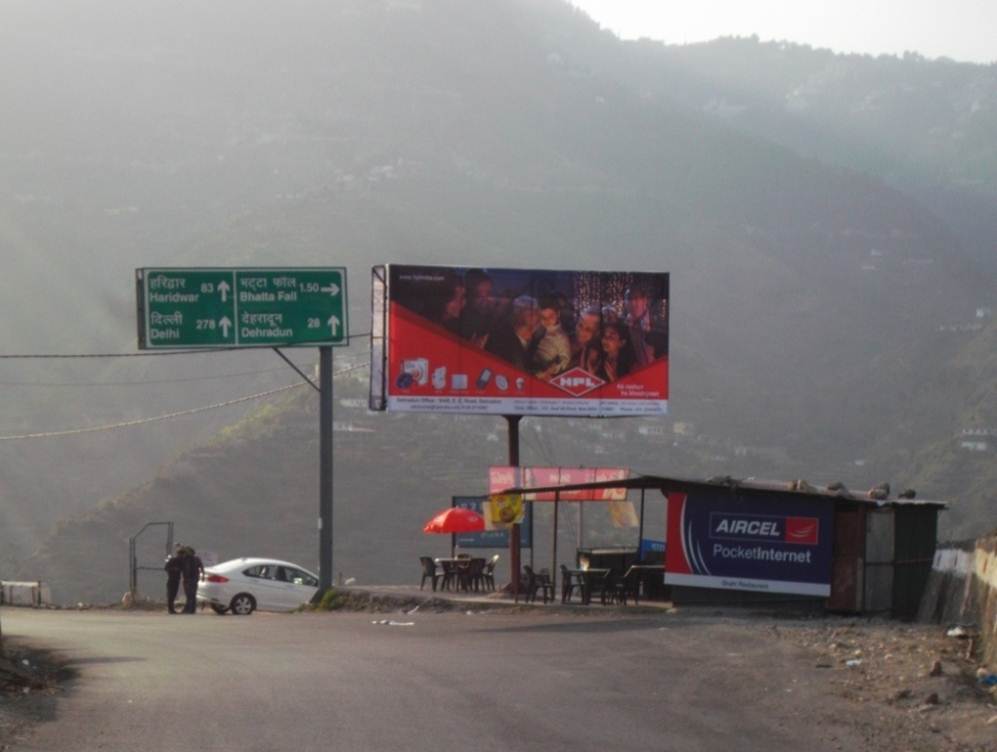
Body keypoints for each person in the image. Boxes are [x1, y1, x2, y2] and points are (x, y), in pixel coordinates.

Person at [485, 295, 540, 371]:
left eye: (536, 310)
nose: (534, 314)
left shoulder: (536, 342)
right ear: (516, 313)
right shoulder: (500, 337)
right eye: (528, 309)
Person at [624, 284, 667, 366]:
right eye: (629, 299)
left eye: (636, 299)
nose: (633, 303)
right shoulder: (625, 325)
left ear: (645, 301)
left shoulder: (658, 322)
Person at [569, 305, 602, 374]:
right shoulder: (566, 340)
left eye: (588, 329)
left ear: (597, 333)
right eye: (580, 325)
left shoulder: (596, 355)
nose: (581, 331)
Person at [180, 546, 204, 614]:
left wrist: (203, 576)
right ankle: (189, 609)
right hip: (187, 578)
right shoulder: (185, 558)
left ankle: (190, 609)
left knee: (191, 594)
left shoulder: (196, 559)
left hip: (193, 578)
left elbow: (201, 567)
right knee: (189, 594)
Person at [164, 544, 184, 614]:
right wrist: (174, 569)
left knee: (174, 594)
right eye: (180, 554)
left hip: (176, 579)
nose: (181, 556)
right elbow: (166, 568)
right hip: (171, 579)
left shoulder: (181, 561)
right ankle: (170, 609)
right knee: (171, 595)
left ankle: (172, 609)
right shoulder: (173, 560)